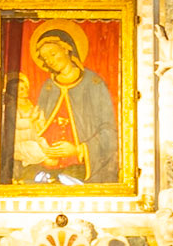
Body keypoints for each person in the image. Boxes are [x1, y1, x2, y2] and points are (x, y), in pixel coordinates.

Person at [26, 25, 119, 186]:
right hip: (47, 162)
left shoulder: (93, 84)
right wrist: (35, 123)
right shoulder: (48, 87)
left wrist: (78, 150)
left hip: (81, 165)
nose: (50, 61)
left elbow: (109, 131)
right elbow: (40, 128)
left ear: (66, 49)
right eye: (46, 58)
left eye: (53, 54)